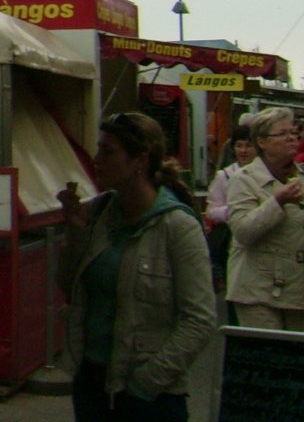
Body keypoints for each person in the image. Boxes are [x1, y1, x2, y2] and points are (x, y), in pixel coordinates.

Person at [57, 112, 216, 422]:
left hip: (148, 394)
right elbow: (67, 286)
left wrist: (147, 382)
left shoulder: (177, 226)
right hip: (92, 381)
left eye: (108, 151)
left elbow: (199, 319)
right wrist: (75, 233)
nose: (96, 159)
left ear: (139, 161)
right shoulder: (100, 214)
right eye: (98, 149)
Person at [225, 105, 304, 330]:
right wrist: (277, 202)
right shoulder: (244, 179)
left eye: (294, 132)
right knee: (268, 359)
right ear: (262, 142)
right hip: (258, 292)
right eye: (282, 134)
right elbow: (243, 232)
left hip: (298, 291)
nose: (292, 138)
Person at [203, 116, 255, 294]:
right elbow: (211, 211)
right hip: (229, 239)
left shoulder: (264, 173)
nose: (244, 150)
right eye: (239, 145)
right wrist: (234, 210)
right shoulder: (224, 176)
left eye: (248, 145)